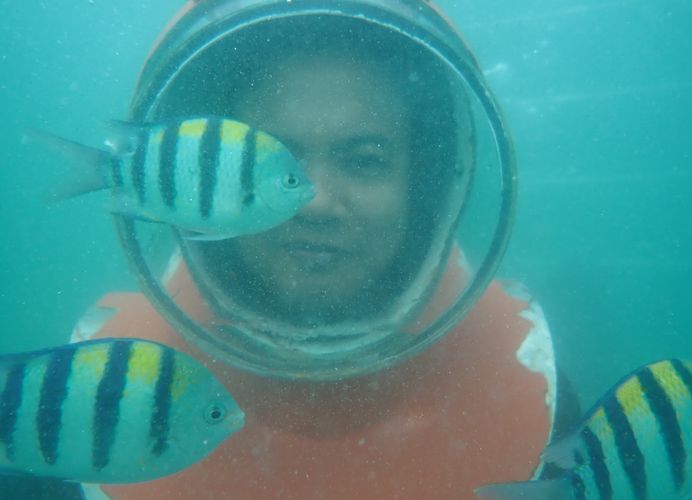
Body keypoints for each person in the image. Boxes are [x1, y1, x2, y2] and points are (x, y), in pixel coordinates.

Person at [70, 1, 578, 498]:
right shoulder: (85, 399)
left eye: (364, 160)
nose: (315, 203)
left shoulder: (529, 385)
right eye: (264, 162)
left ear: (427, 187)